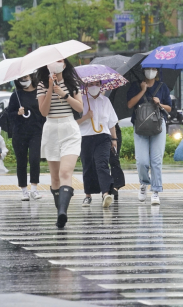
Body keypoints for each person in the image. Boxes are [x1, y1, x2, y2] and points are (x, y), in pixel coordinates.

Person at [37, 59, 84, 229]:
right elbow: (43, 111)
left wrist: (64, 94)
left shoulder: (72, 83)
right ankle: (60, 214)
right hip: (51, 129)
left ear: (64, 64)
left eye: (60, 61)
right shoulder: (42, 85)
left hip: (69, 128)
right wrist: (50, 88)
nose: (56, 64)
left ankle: (63, 211)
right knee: (55, 176)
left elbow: (79, 108)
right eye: (52, 62)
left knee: (65, 172)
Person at [127, 68, 172, 206]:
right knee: (141, 160)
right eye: (148, 68)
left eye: (153, 69)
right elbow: (129, 104)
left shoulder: (162, 87)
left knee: (156, 160)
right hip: (140, 125)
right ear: (142, 70)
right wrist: (142, 90)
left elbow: (169, 108)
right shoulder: (136, 85)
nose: (150, 71)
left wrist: (159, 103)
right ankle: (143, 183)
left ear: (157, 71)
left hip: (158, 125)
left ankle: (156, 190)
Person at [77, 80, 121, 208]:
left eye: (96, 84)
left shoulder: (105, 101)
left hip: (103, 137)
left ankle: (105, 193)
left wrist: (114, 139)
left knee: (102, 164)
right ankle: (88, 195)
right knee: (88, 165)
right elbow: (74, 122)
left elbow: (111, 122)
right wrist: (86, 116)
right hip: (85, 137)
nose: (94, 87)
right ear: (86, 86)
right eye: (90, 84)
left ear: (101, 86)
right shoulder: (81, 100)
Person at [7, 74, 46, 201]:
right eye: (21, 79)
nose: (24, 81)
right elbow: (9, 115)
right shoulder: (16, 95)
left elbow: (44, 111)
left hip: (36, 132)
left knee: (35, 159)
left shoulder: (39, 92)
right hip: (19, 133)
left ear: (31, 77)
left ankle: (34, 189)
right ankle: (24, 190)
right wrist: (17, 113)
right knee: (21, 162)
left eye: (26, 77)